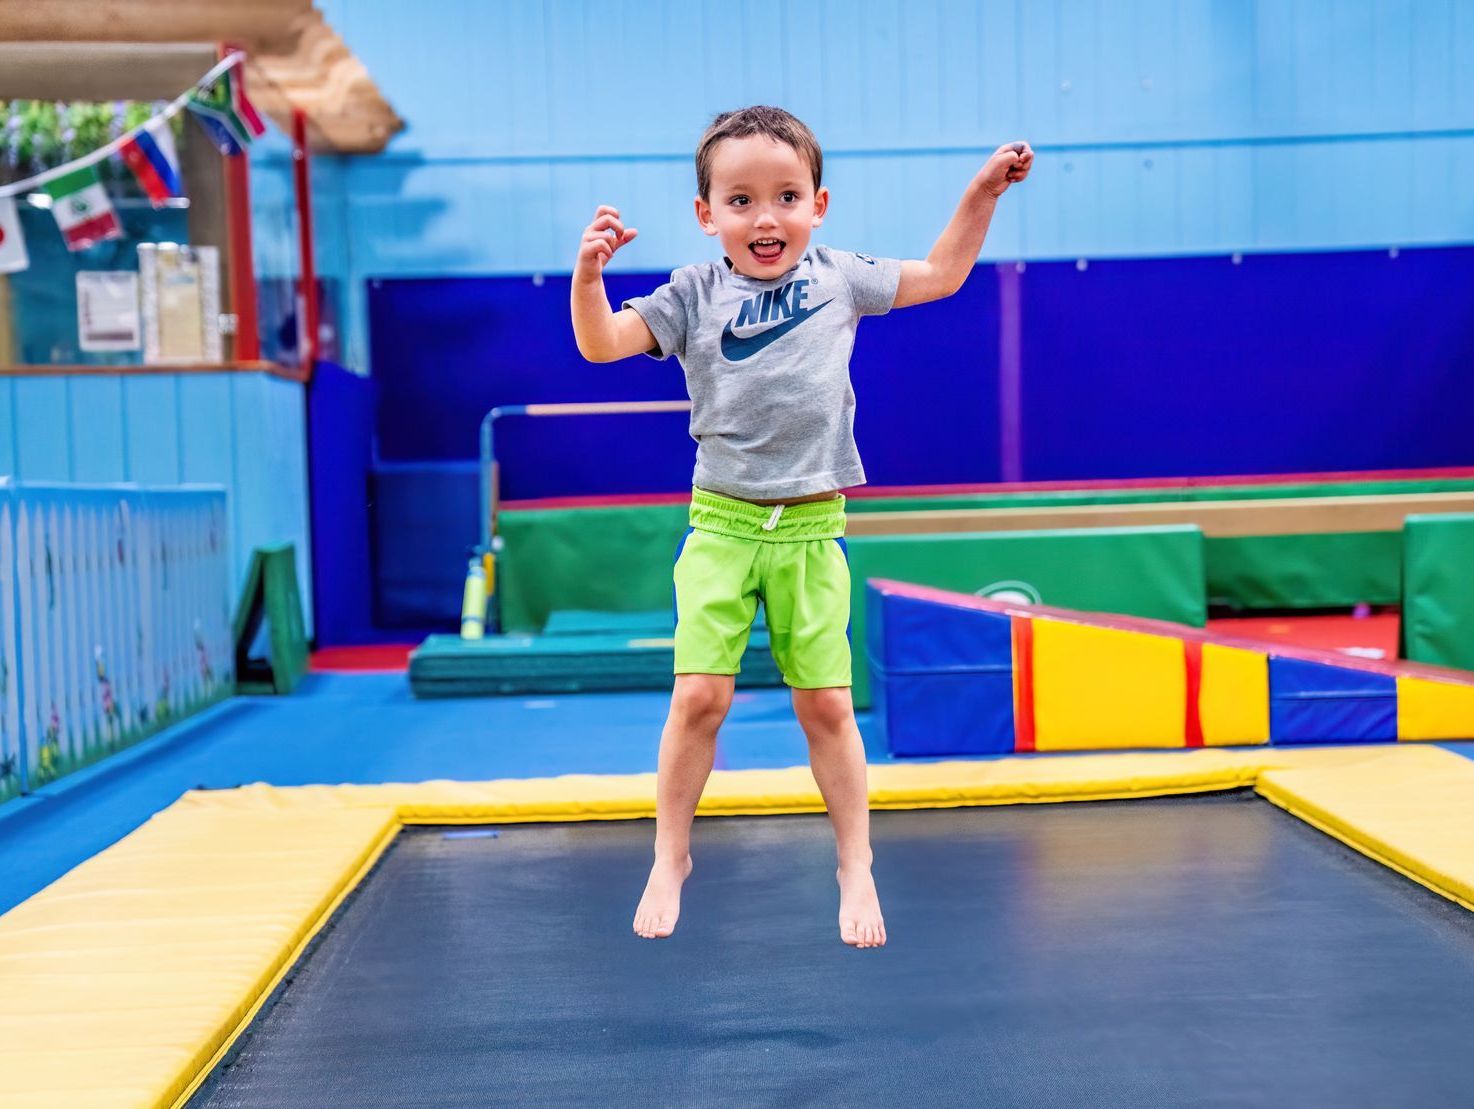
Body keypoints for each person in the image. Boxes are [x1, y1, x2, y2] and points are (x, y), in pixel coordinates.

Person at [569, 105, 1033, 948]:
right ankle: (670, 853)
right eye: (740, 201)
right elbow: (601, 345)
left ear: (818, 204)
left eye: (786, 196)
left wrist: (981, 195)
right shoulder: (692, 292)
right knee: (699, 696)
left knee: (825, 703)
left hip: (814, 529)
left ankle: (854, 860)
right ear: (707, 215)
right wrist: (589, 274)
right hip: (721, 524)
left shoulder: (839, 277)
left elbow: (942, 273)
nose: (765, 217)